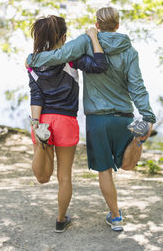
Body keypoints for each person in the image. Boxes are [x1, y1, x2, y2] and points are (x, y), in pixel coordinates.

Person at [26, 7, 156, 232]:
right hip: (108, 116)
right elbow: (135, 85)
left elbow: (54, 62)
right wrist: (147, 114)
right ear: (117, 25)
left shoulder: (80, 44)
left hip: (79, 119)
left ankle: (115, 218)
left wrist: (32, 59)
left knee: (93, 172)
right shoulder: (129, 51)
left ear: (96, 24)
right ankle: (137, 140)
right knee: (114, 167)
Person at [28, 15, 109, 233]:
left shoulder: (33, 61)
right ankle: (61, 219)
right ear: (64, 37)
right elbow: (101, 64)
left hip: (42, 120)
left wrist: (35, 123)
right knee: (64, 176)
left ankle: (43, 143)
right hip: (66, 122)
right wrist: (93, 37)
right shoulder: (72, 59)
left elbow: (36, 94)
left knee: (42, 177)